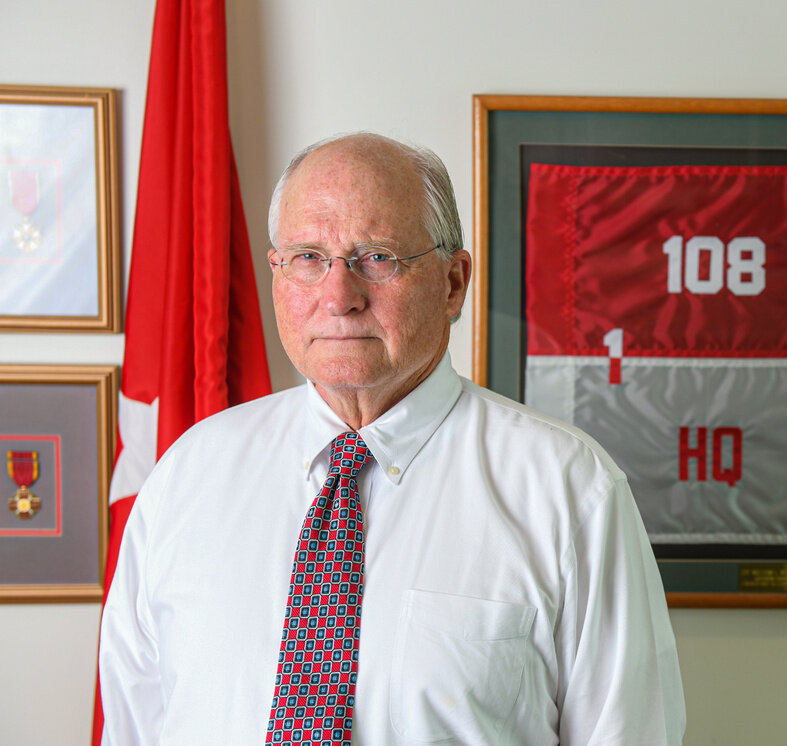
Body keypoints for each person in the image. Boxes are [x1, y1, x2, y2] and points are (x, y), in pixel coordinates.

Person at [98, 133, 685, 744]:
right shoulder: (188, 475)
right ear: (276, 274)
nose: (339, 297)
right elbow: (133, 723)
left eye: (377, 258)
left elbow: (631, 731)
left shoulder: (567, 489)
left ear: (453, 283)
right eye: (307, 257)